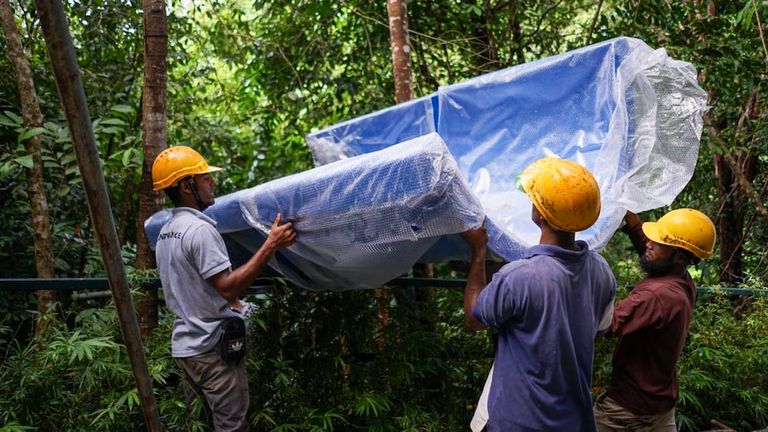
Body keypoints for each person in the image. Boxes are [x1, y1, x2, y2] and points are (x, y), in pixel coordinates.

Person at [461, 157, 617, 431]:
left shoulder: (519, 276)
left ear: (541, 214)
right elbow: (599, 332)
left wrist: (478, 250)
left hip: (519, 422)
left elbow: (475, 318)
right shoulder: (601, 271)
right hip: (575, 423)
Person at [151, 146, 296, 432]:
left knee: (199, 425)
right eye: (204, 177)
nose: (212, 182)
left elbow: (193, 286)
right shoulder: (200, 230)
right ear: (186, 186)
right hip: (213, 351)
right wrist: (271, 245)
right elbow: (228, 289)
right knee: (231, 427)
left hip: (187, 348)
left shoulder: (166, 232)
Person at [593, 208, 716, 432]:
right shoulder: (681, 279)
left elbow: (605, 325)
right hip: (661, 405)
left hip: (627, 410)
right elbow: (654, 253)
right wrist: (632, 220)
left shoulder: (656, 296)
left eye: (658, 242)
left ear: (680, 256)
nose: (649, 244)